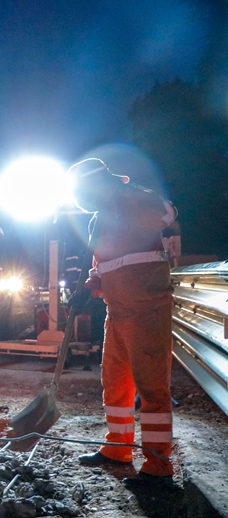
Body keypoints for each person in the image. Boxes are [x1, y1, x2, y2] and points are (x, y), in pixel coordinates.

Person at [70, 158, 177, 489]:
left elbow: (167, 214)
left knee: (151, 386)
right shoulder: (98, 220)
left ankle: (158, 464)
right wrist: (88, 286)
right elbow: (101, 263)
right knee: (115, 381)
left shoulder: (132, 199)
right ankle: (117, 448)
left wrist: (123, 193)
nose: (82, 201)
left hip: (147, 307)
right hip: (117, 309)